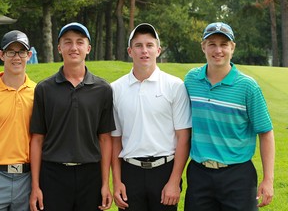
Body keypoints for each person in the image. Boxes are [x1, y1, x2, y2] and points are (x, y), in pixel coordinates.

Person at [184, 22, 275, 211]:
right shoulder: (191, 80)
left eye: (224, 44)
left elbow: (266, 133)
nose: (218, 50)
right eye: (212, 44)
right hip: (199, 174)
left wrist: (268, 179)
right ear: (203, 47)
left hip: (238, 176)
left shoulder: (248, 87)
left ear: (232, 48)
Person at [29, 22, 115, 211]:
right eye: (67, 42)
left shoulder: (103, 90)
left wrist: (104, 184)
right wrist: (35, 186)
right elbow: (37, 140)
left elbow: (105, 139)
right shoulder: (44, 89)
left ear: (88, 48)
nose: (74, 47)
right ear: (59, 48)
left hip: (90, 175)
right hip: (53, 175)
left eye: (79, 42)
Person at [111, 23, 192, 211]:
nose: (144, 51)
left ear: (158, 50)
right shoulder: (115, 89)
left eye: (149, 45)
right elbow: (115, 140)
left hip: (164, 171)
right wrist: (117, 181)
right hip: (130, 172)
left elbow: (183, 138)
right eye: (138, 46)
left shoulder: (174, 86)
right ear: (130, 51)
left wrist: (174, 181)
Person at [0, 30, 35, 210]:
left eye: (21, 52)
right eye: (11, 52)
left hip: (27, 179)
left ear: (29, 55)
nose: (16, 57)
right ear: (1, 55)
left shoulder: (38, 93)